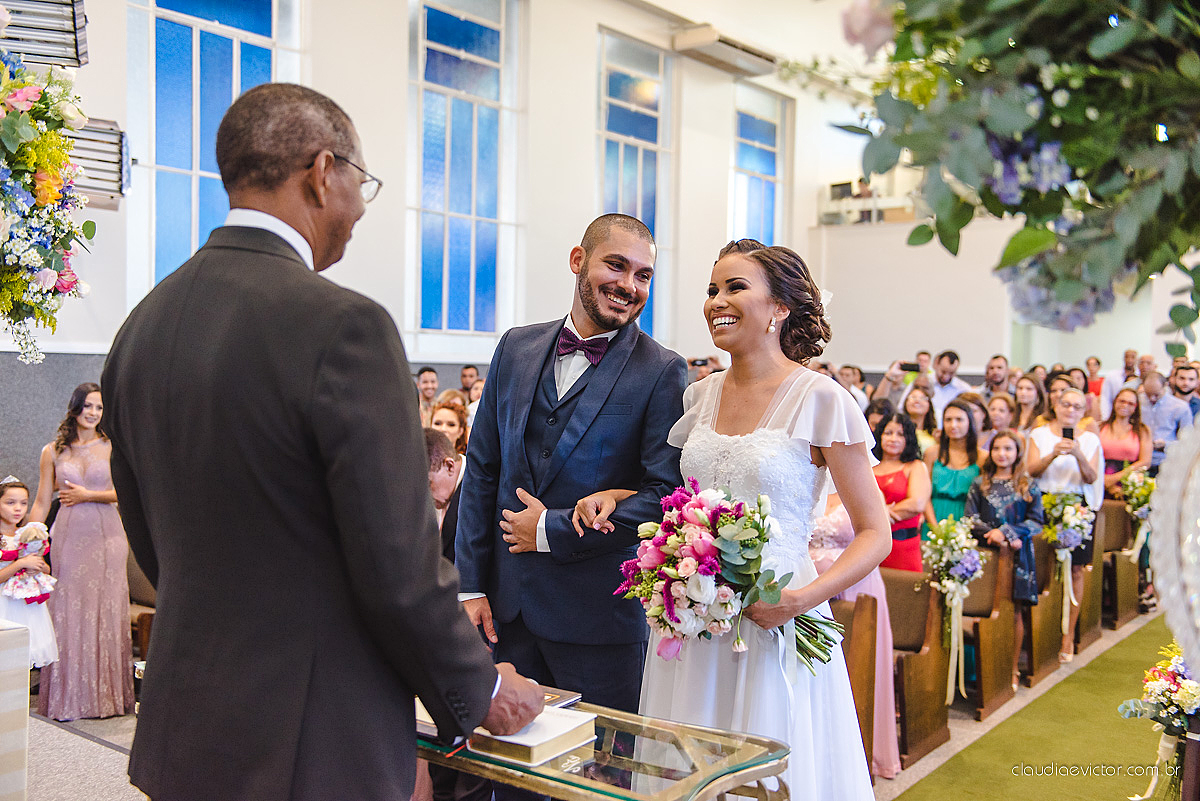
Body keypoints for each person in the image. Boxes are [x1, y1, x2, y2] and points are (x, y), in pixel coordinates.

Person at [101, 83, 541, 801]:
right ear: (321, 171)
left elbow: (151, 537)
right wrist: (480, 683)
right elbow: (396, 563)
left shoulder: (142, 325)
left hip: (186, 724)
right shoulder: (345, 328)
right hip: (310, 740)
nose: (361, 207)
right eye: (360, 183)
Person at [577, 239, 889, 799]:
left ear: (779, 308)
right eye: (712, 289)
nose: (716, 300)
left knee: (766, 772)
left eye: (735, 287)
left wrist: (800, 599)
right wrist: (617, 498)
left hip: (775, 615)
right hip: (691, 622)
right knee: (687, 767)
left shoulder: (821, 399)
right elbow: (679, 495)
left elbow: (875, 532)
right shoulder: (699, 396)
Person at [455, 213, 688, 735]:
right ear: (578, 260)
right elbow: (482, 473)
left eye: (644, 275)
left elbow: (664, 497)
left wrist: (549, 530)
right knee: (511, 775)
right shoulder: (516, 347)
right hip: (505, 614)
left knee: (601, 777)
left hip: (599, 621)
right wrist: (469, 586)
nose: (629, 286)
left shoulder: (662, 370)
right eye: (617, 266)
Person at [28, 383, 135, 721]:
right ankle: (68, 699)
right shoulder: (53, 451)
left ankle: (106, 699)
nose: (93, 413)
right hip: (70, 537)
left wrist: (90, 494)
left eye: (99, 408)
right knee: (68, 610)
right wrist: (29, 538)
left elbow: (128, 492)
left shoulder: (114, 447)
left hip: (108, 536)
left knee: (106, 606)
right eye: (87, 406)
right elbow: (43, 501)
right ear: (74, 408)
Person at [423, 430, 492, 801]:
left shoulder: (477, 488)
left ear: (450, 465)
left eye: (429, 482)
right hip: (446, 624)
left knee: (476, 735)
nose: (427, 494)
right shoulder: (443, 492)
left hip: (479, 623)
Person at [1026, 387, 1102, 662]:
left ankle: (1067, 635)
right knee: (1043, 568)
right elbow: (1031, 470)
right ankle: (1041, 631)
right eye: (1066, 404)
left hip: (1077, 504)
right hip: (1043, 502)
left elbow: (1092, 476)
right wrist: (1053, 454)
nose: (1071, 410)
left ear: (1083, 412)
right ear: (1056, 405)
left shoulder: (1091, 439)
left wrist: (1079, 454)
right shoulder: (1040, 434)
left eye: (1077, 407)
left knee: (1076, 571)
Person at [964, 431, 1042, 690]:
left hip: (1019, 555)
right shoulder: (980, 483)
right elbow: (970, 518)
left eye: (1008, 449)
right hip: (988, 553)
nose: (1002, 454)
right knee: (987, 609)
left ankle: (1011, 668)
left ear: (1017, 452)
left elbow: (1036, 521)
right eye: (997, 448)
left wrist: (1009, 533)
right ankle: (988, 669)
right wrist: (994, 534)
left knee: (1014, 611)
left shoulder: (1027, 484)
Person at [0, 476, 57, 668]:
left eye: (23, 503)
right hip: (4, 602)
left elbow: (46, 570)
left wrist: (38, 566)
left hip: (25, 605)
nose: (18, 508)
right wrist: (20, 563)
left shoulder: (27, 535)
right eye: (10, 503)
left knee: (21, 659)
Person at [872, 413, 931, 572]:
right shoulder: (867, 467)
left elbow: (917, 503)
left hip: (903, 547)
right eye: (888, 433)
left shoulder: (915, 466)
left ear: (908, 439)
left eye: (900, 434)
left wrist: (880, 515)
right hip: (868, 548)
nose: (893, 439)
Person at [923, 398, 984, 537]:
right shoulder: (932, 453)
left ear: (970, 422)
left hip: (966, 521)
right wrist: (935, 528)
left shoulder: (982, 457)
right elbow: (924, 495)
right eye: (948, 420)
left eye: (959, 419)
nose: (953, 425)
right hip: (933, 518)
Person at [1099, 387, 1152, 499]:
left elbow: (1145, 462)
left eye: (1130, 403)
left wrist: (1114, 479)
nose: (1125, 405)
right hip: (1100, 482)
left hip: (1129, 483)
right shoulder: (1100, 427)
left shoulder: (1142, 431)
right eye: (1122, 401)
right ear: (1115, 402)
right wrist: (1105, 483)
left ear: (1135, 408)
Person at [1140, 371, 1193, 476]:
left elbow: (1188, 442)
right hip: (1140, 459)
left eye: (1156, 394)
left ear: (1165, 386)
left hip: (1167, 461)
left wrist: (1165, 444)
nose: (1152, 398)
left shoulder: (1179, 407)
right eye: (1148, 394)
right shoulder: (1138, 401)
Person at [931, 350, 971, 425]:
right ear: (936, 364)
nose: (946, 377)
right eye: (943, 371)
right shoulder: (924, 383)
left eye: (951, 373)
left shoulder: (963, 389)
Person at [1100, 349, 1139, 419]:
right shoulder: (1112, 375)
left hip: (1134, 416)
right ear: (1123, 358)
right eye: (1127, 357)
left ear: (1136, 359)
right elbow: (1105, 398)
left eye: (1132, 357)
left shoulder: (1139, 377)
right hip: (1114, 415)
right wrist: (1105, 417)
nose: (1129, 360)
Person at [902, 384, 939, 455]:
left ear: (929, 405)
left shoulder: (935, 434)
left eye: (923, 398)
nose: (917, 401)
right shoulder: (899, 431)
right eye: (913, 397)